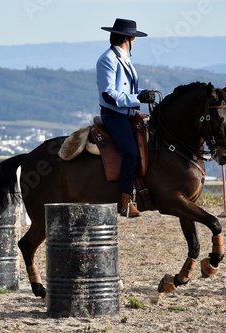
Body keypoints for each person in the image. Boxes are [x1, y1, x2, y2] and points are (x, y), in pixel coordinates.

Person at [96, 18, 155, 218]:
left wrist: (144, 93)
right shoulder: (107, 60)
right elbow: (109, 94)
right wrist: (137, 98)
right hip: (114, 115)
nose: (136, 41)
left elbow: (128, 89)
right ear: (127, 38)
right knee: (131, 152)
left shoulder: (124, 57)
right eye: (134, 38)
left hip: (127, 112)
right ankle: (125, 202)